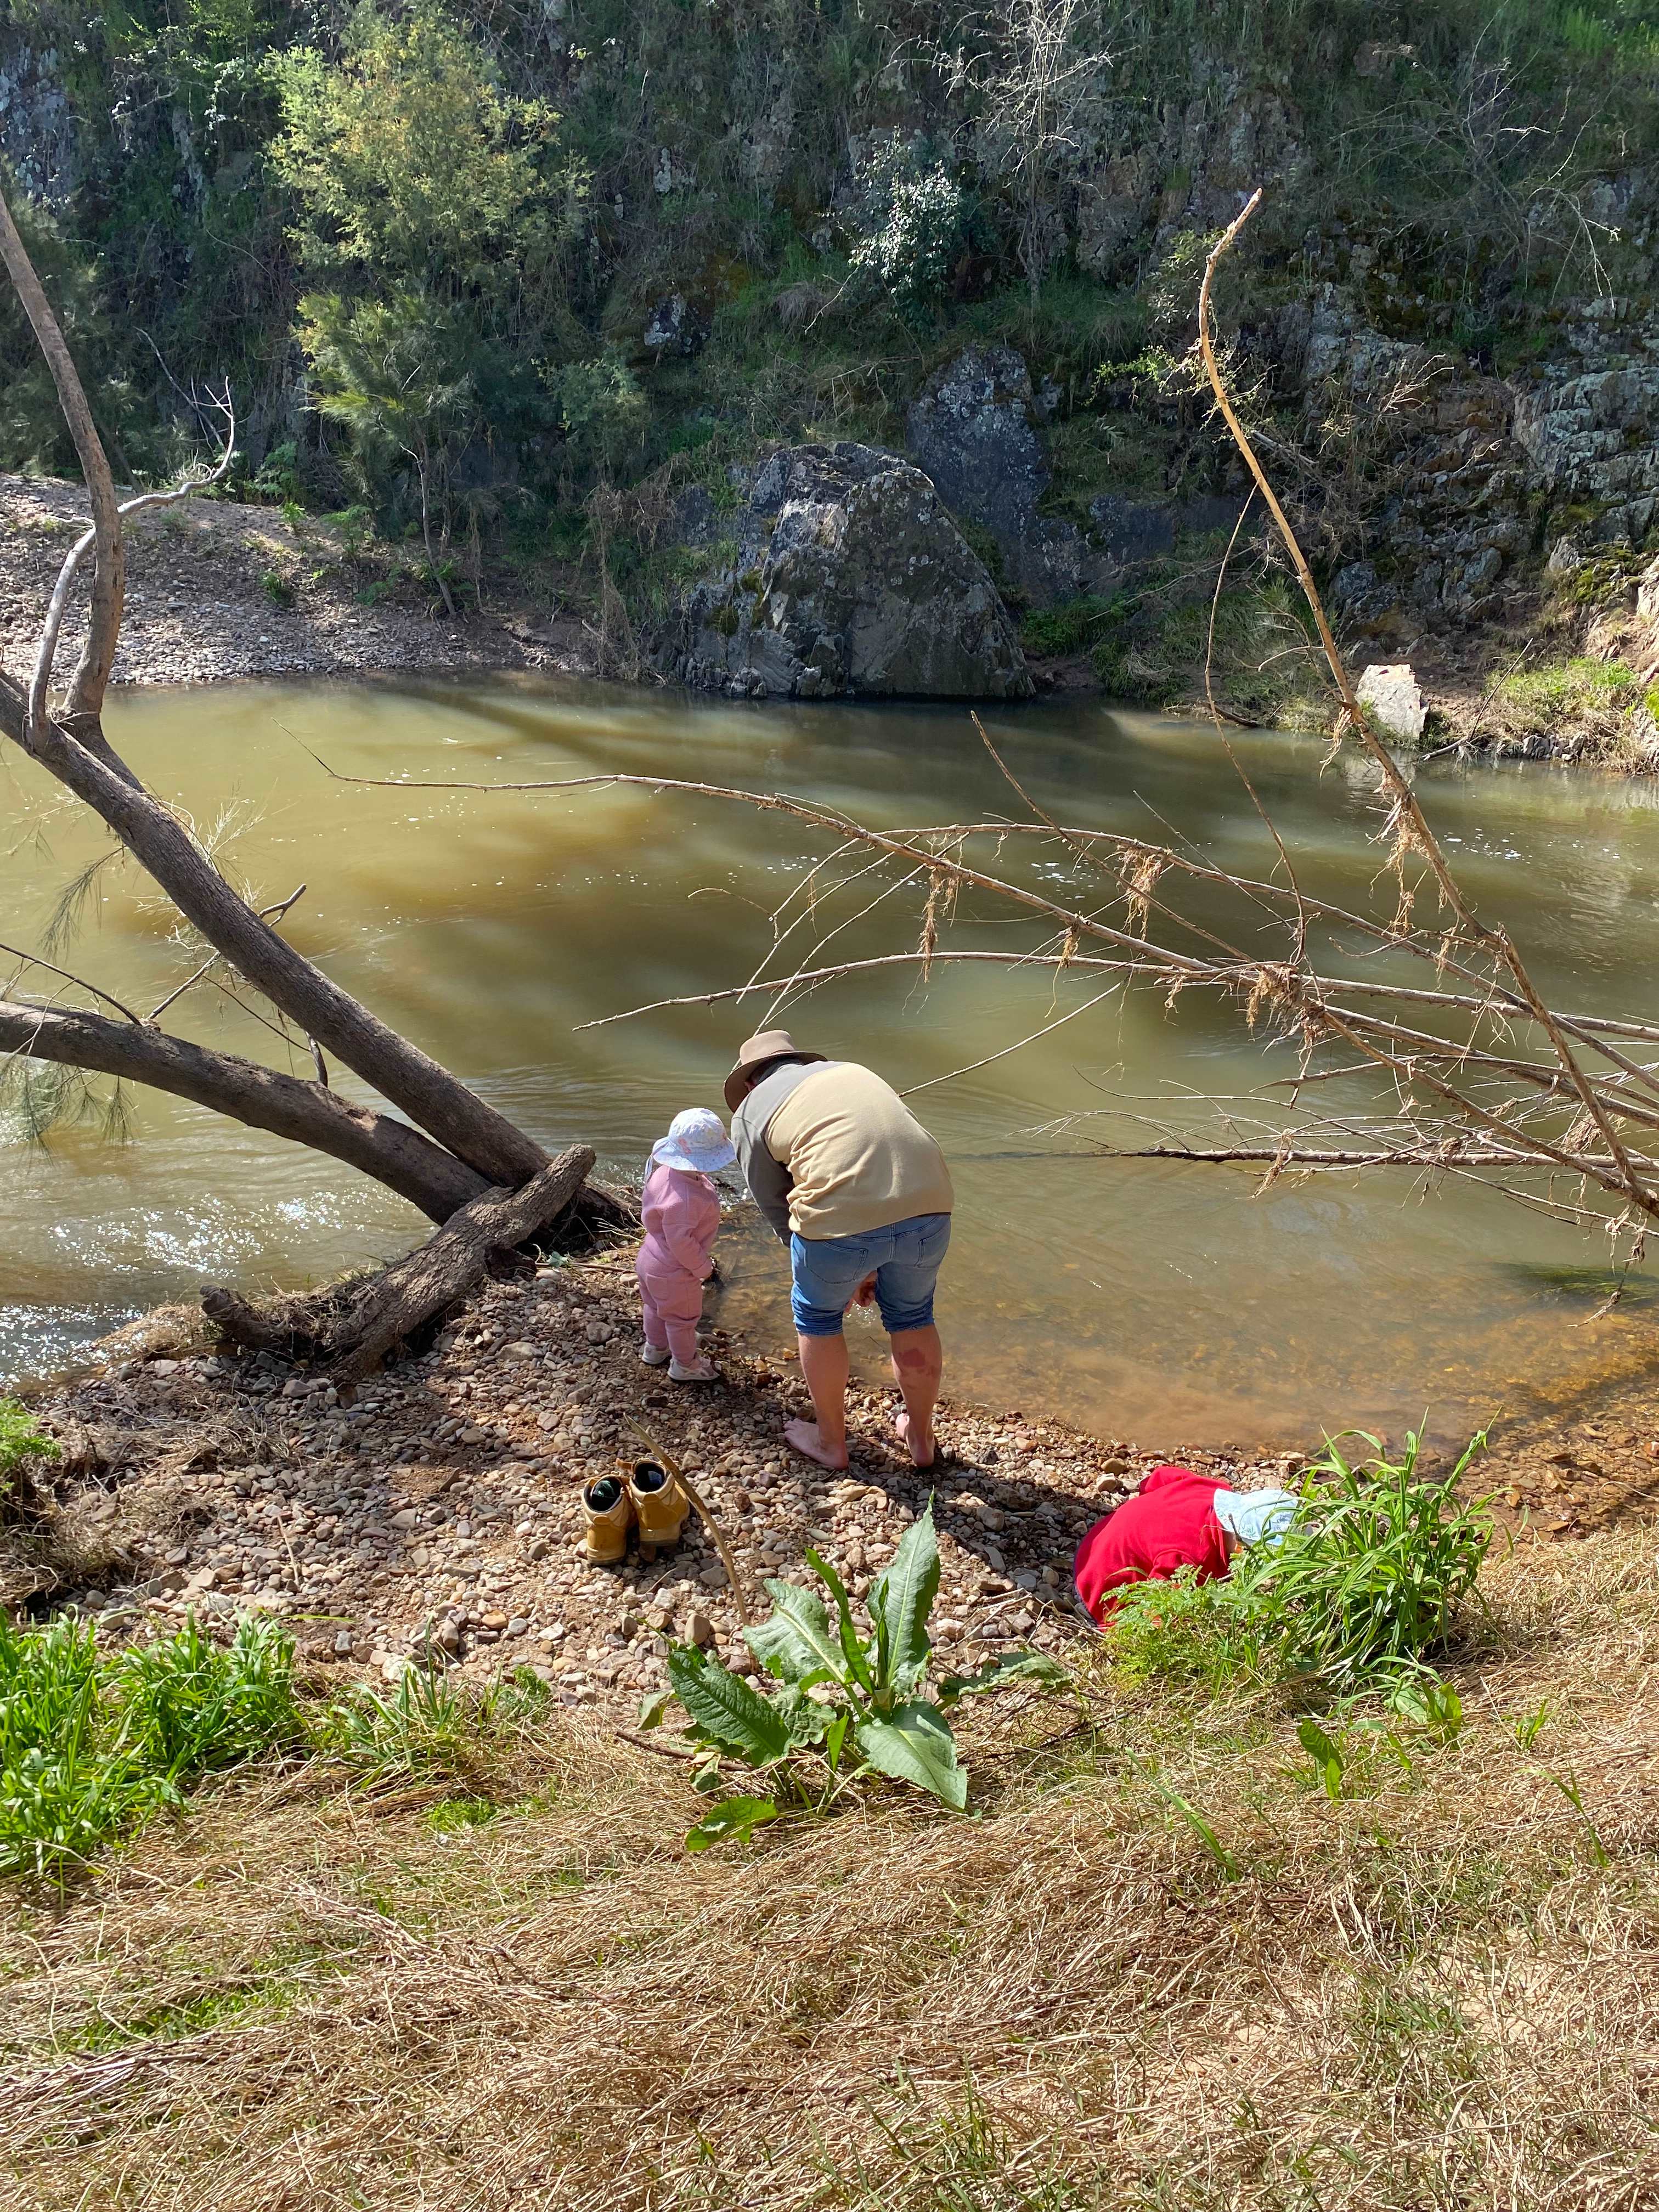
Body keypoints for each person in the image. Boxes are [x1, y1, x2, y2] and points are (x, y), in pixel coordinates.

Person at [725, 1028, 953, 1471]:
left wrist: (845, 1270)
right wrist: (866, 1267)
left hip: (840, 1223)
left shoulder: (752, 1110)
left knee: (818, 1317)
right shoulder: (852, 1071)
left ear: (750, 1083)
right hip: (932, 1204)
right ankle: (921, 1438)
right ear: (800, 1061)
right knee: (912, 1316)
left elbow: (774, 1204)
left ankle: (832, 1443)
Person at [1073, 1466, 1298, 1627]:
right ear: (1241, 1548)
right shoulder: (1193, 1559)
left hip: (1103, 1532)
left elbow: (1159, 1477)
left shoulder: (1214, 1489)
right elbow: (1157, 1609)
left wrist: (1150, 1517)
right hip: (1095, 1576)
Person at [635, 1105, 736, 1384]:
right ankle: (685, 1365)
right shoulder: (688, 1200)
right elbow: (682, 1244)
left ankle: (655, 1349)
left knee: (655, 1307)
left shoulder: (664, 1173)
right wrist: (704, 1269)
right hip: (675, 1270)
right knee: (682, 1319)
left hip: (650, 1258)